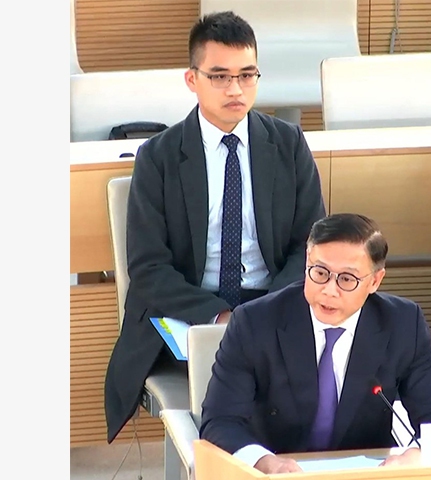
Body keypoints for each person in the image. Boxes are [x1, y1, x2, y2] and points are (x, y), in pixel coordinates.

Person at [104, 11, 327, 443]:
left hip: (272, 301)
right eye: (220, 76)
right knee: (240, 387)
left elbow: (310, 246)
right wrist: (221, 315)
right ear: (192, 80)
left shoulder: (288, 144)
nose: (236, 89)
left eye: (247, 75)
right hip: (190, 312)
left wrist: (261, 313)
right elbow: (149, 268)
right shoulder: (159, 157)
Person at [200, 213, 431, 473]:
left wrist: (417, 455)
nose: (329, 290)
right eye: (320, 272)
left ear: (375, 281)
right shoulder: (255, 322)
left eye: (347, 279)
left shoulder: (402, 323)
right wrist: (265, 463)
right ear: (306, 264)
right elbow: (220, 421)